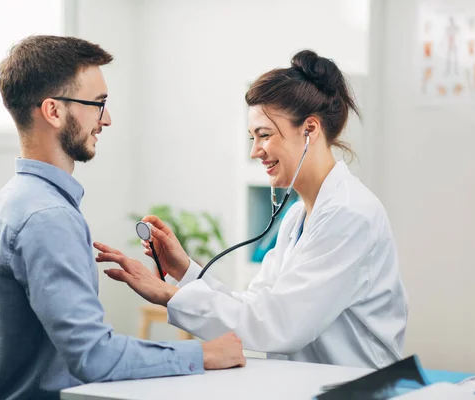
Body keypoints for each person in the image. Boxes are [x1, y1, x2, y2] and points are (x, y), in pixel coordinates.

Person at [0, 35, 245, 400]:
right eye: (98, 104)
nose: (106, 120)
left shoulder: (9, 202)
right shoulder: (48, 217)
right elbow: (93, 357)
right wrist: (204, 353)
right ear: (53, 111)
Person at [95, 50, 408, 370]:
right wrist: (184, 271)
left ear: (310, 130)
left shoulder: (350, 214)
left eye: (264, 135)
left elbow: (279, 325)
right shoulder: (297, 218)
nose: (255, 150)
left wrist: (170, 296)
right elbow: (257, 305)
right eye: (251, 137)